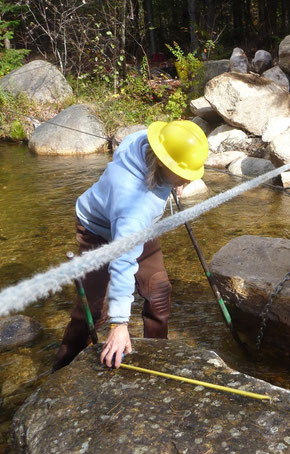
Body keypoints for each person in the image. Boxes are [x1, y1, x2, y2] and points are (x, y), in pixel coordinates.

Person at [52, 120, 209, 371]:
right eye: (184, 174)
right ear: (163, 164)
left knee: (158, 291)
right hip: (98, 230)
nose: (189, 180)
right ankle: (62, 367)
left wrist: (172, 181)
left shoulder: (144, 142)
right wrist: (119, 324)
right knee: (95, 309)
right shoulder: (134, 205)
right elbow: (123, 263)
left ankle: (157, 357)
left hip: (136, 227)